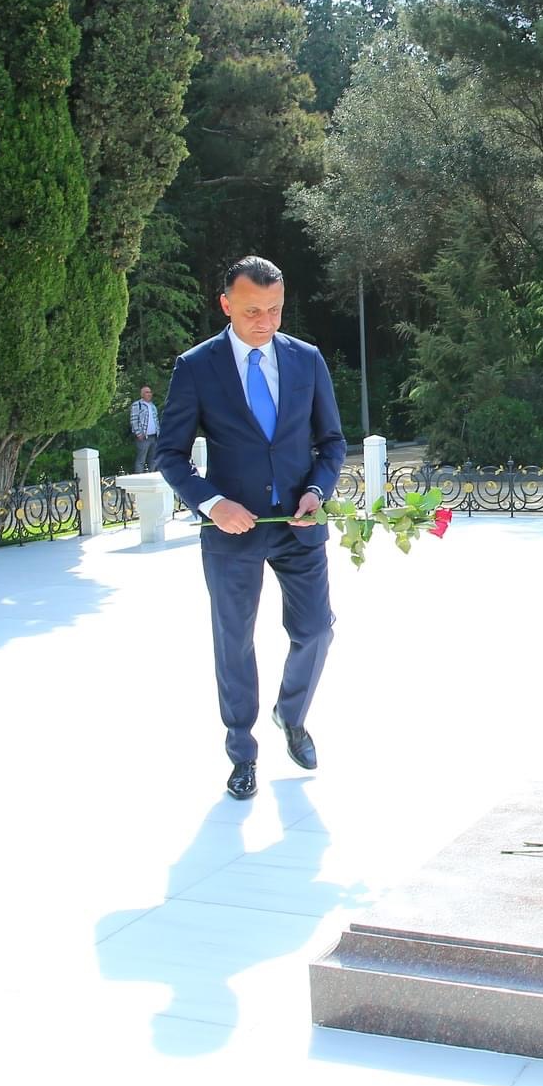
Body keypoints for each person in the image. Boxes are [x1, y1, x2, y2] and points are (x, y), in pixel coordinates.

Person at [156, 256, 347, 802]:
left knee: (317, 629)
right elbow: (170, 454)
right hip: (230, 530)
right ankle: (242, 752)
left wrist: (317, 492)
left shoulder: (307, 359)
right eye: (252, 311)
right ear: (226, 305)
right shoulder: (197, 367)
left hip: (298, 526)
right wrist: (213, 504)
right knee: (234, 641)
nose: (265, 322)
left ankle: (292, 714)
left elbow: (331, 443)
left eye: (275, 310)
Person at [129, 385, 160, 472]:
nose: (149, 394)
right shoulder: (137, 405)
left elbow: (156, 421)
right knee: (141, 460)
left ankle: (151, 477)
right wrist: (138, 434)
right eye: (147, 392)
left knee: (153, 459)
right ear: (142, 394)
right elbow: (134, 420)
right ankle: (139, 478)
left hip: (154, 437)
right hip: (143, 437)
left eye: (150, 392)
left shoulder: (153, 406)